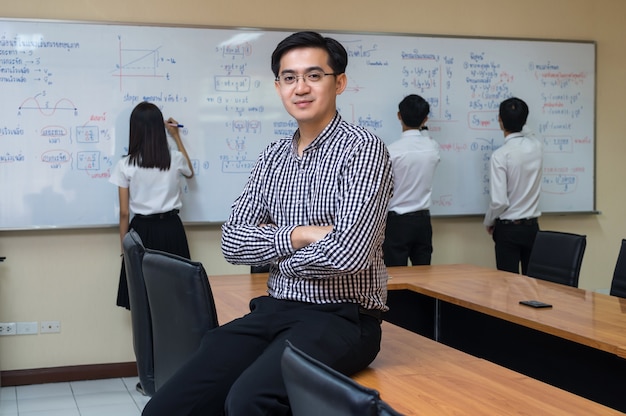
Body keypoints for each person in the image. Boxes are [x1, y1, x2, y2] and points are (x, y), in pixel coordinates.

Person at [141, 31, 393, 416]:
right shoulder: (272, 156)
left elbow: (350, 253)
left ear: (339, 82)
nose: (300, 87)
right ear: (278, 87)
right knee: (167, 407)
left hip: (342, 318)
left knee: (248, 399)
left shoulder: (364, 148)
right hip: (275, 308)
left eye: (314, 75)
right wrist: (299, 235)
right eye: (289, 78)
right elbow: (232, 242)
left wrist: (278, 257)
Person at [110, 101, 194, 309]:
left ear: (134, 130)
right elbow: (190, 172)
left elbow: (123, 212)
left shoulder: (125, 164)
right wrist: (176, 137)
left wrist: (124, 248)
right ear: (159, 128)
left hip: (141, 232)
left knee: (143, 301)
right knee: (175, 298)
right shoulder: (174, 159)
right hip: (172, 229)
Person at [484, 97, 542, 275]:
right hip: (532, 228)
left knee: (507, 288)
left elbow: (499, 202)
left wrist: (489, 221)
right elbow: (529, 131)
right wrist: (520, 119)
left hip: (508, 230)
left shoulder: (500, 155)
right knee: (532, 286)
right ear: (525, 121)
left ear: (500, 120)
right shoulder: (536, 146)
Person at [383, 94, 440, 266]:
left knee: (396, 278)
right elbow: (427, 138)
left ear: (399, 116)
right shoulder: (432, 148)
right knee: (423, 279)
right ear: (425, 119)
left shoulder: (391, 151)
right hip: (422, 222)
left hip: (397, 222)